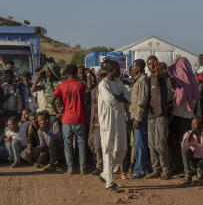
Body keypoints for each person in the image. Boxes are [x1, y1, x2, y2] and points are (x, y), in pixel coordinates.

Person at [95, 60, 130, 191]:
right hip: (108, 120)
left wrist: (119, 97)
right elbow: (111, 101)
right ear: (111, 70)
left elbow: (128, 97)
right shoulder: (103, 85)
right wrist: (120, 97)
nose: (119, 70)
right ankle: (109, 182)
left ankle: (105, 173)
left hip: (119, 118)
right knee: (108, 149)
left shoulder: (119, 82)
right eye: (116, 68)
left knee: (122, 148)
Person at [53, 64, 88, 174]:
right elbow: (85, 101)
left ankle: (70, 168)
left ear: (67, 73)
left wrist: (58, 113)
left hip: (66, 118)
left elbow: (52, 100)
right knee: (81, 143)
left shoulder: (62, 86)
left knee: (67, 144)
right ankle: (83, 167)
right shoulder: (81, 85)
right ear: (75, 73)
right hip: (79, 118)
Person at [168, 57, 201, 177]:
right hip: (186, 117)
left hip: (181, 117)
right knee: (182, 143)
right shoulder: (192, 82)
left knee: (183, 143)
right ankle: (184, 167)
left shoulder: (176, 82)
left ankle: (185, 168)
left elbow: (179, 100)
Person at [146, 57, 171, 179]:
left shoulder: (160, 77)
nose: (151, 66)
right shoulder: (149, 79)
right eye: (149, 64)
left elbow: (161, 75)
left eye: (153, 63)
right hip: (151, 115)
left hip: (160, 114)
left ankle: (166, 169)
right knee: (152, 144)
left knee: (161, 144)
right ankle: (156, 169)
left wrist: (158, 69)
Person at [128, 59, 151, 179]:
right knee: (139, 143)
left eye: (133, 66)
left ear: (138, 68)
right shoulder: (137, 80)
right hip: (135, 116)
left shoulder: (143, 81)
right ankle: (144, 168)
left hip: (140, 118)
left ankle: (139, 170)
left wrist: (138, 118)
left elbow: (143, 102)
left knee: (139, 144)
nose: (132, 68)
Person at [180, 116, 203, 185]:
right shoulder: (188, 134)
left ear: (201, 126)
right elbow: (184, 147)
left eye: (195, 124)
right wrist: (190, 137)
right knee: (184, 149)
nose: (192, 126)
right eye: (192, 124)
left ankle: (201, 177)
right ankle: (188, 175)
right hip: (194, 160)